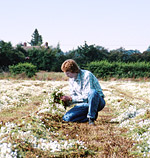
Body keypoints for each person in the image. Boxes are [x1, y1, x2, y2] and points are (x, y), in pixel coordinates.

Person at [60, 59, 105, 125]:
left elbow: (87, 96)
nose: (66, 75)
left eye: (67, 72)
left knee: (92, 92)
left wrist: (70, 98)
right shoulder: (71, 80)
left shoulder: (87, 75)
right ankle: (89, 116)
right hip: (84, 103)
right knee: (66, 118)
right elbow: (74, 96)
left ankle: (91, 118)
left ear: (73, 70)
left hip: (97, 101)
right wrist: (66, 101)